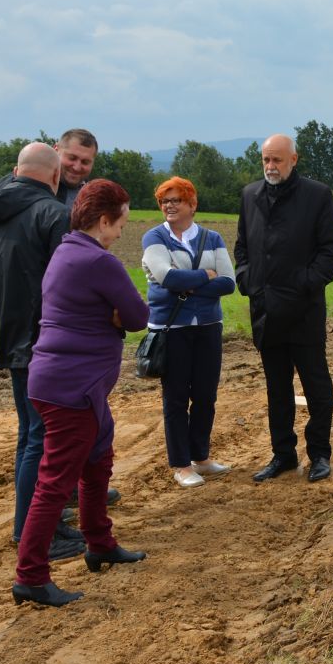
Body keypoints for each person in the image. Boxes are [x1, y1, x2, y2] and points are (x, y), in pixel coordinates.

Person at [13, 180, 150, 608]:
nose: (121, 232)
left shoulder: (65, 251)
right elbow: (137, 316)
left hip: (60, 380)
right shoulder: (98, 261)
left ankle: (99, 542)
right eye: (121, 223)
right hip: (74, 388)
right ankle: (31, 576)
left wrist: (112, 316)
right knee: (54, 483)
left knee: (98, 458)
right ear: (104, 220)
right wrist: (115, 317)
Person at [0, 142, 83, 560]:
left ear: (16, 171)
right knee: (43, 439)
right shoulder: (54, 214)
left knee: (30, 435)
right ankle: (37, 534)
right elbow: (69, 284)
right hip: (46, 343)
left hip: (11, 335)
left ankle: (40, 523)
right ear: (54, 177)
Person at [235, 133, 333, 484]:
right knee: (276, 389)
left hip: (303, 311)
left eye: (277, 160)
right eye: (266, 159)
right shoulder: (250, 195)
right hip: (265, 312)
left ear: (293, 160)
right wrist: (247, 281)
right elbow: (242, 248)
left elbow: (331, 250)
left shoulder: (317, 196)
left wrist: (306, 283)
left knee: (317, 386)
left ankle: (320, 454)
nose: (270, 166)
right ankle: (282, 454)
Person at [141, 176, 237, 488]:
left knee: (206, 396)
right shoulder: (153, 238)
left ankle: (202, 458)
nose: (169, 205)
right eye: (164, 201)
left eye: (176, 200)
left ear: (192, 204)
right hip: (172, 329)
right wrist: (205, 277)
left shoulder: (212, 237)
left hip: (208, 327)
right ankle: (181, 465)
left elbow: (229, 282)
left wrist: (190, 281)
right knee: (176, 398)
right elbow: (167, 278)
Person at [53, 128, 99, 208]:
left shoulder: (96, 200)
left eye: (85, 162)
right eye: (72, 158)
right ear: (56, 150)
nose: (77, 168)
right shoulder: (35, 188)